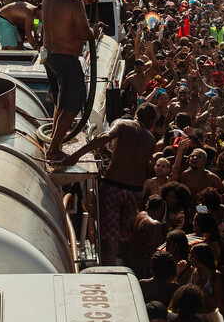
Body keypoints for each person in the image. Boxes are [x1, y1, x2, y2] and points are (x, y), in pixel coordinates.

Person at [64, 103, 158, 264]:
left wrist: (76, 155)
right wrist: (109, 153)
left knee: (110, 236)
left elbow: (105, 137)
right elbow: (139, 162)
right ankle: (122, 265)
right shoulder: (151, 139)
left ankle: (111, 268)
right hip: (134, 191)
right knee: (125, 233)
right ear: (151, 121)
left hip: (114, 187)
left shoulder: (123, 124)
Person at [41, 0, 100, 162]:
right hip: (66, 59)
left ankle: (54, 140)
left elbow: (62, 12)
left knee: (61, 101)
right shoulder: (73, 2)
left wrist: (83, 1)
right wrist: (96, 30)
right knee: (72, 104)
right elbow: (85, 34)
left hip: (50, 57)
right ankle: (54, 148)